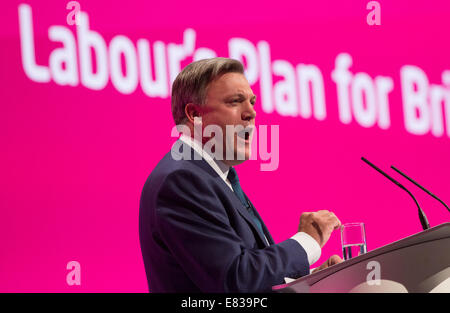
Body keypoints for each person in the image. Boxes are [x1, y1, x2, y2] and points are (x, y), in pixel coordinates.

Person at [139, 57, 342, 293]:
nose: (251, 113)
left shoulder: (214, 177)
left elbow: (243, 281)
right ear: (195, 114)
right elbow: (234, 280)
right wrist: (308, 241)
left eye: (252, 102)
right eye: (235, 101)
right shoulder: (182, 181)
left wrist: (308, 283)